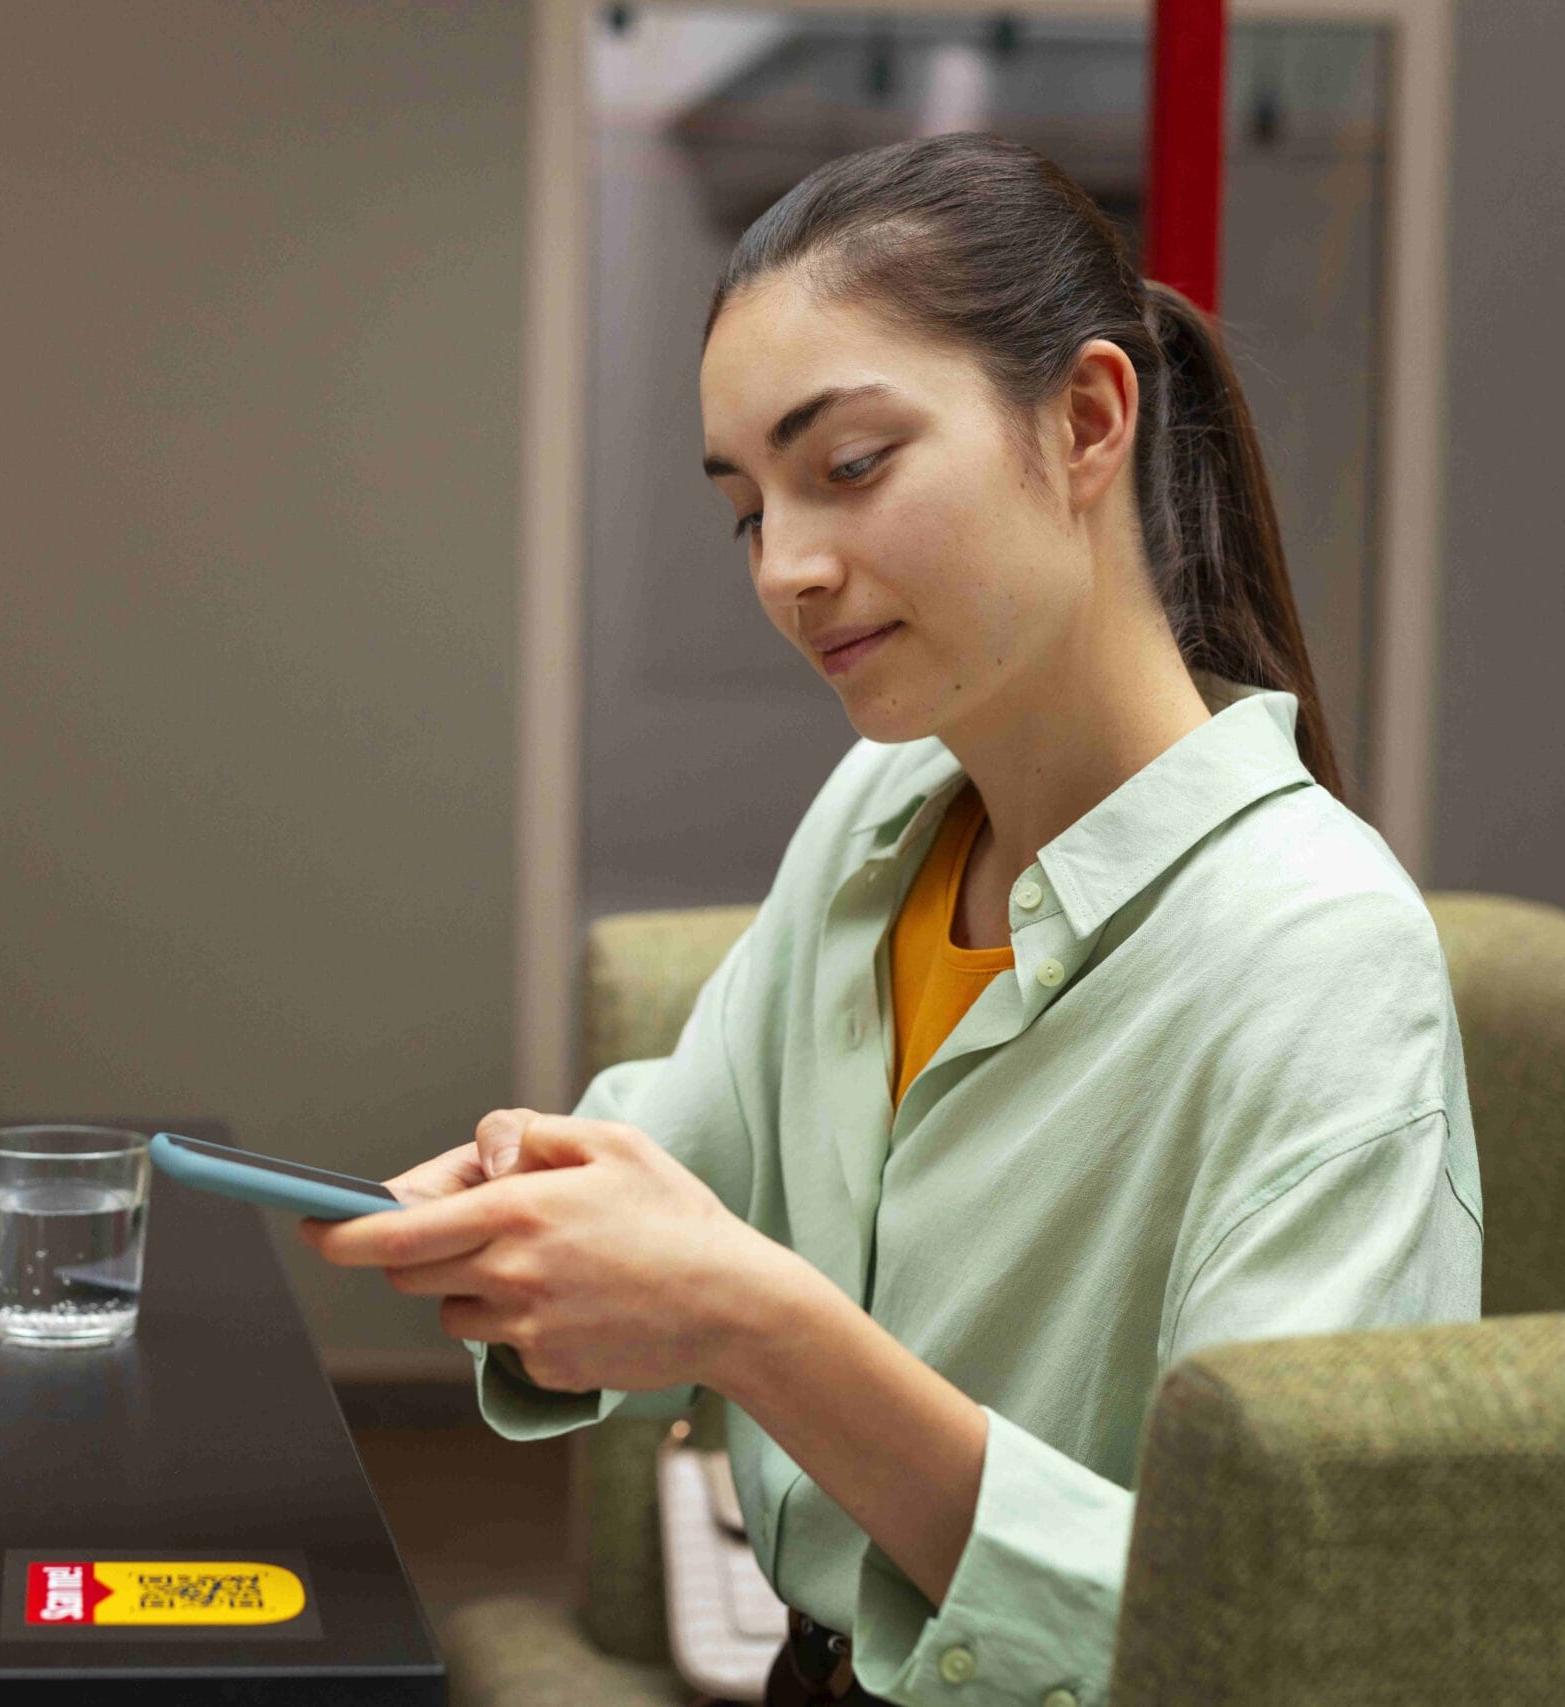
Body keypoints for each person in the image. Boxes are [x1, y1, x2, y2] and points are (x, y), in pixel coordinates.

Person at [299, 132, 1482, 1707]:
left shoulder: (1322, 961)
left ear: (1085, 420)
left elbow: (1279, 1638)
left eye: (848, 466)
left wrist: (752, 1320)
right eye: (745, 510)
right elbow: (685, 1162)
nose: (787, 569)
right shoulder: (880, 820)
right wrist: (534, 1213)